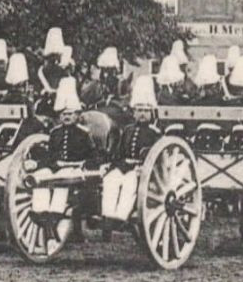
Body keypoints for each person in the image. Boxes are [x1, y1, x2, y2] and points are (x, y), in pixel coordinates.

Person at [28, 77, 99, 230]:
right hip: (57, 167)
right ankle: (40, 211)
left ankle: (55, 213)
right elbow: (51, 153)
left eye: (70, 114)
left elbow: (92, 155)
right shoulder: (55, 133)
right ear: (59, 116)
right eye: (63, 114)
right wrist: (44, 164)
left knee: (61, 183)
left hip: (74, 169)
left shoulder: (84, 133)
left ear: (77, 116)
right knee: (42, 178)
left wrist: (86, 164)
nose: (66, 117)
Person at [102, 75, 164, 222]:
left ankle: (121, 216)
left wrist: (144, 168)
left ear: (151, 113)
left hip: (142, 169)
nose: (142, 114)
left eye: (145, 111)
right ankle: (108, 215)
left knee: (129, 183)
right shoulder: (128, 130)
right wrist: (113, 165)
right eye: (139, 110)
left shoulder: (155, 133)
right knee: (110, 179)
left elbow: (158, 157)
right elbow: (119, 152)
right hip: (125, 165)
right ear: (134, 112)